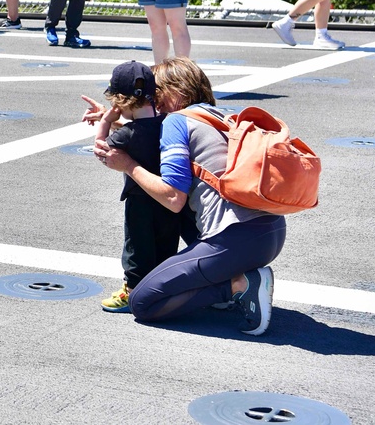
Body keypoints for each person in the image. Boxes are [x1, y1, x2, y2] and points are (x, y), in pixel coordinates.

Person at [92, 57, 286, 336]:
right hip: (271, 233)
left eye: (157, 92)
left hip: (233, 239)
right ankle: (228, 278)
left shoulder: (176, 121)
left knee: (143, 302)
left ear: (178, 93)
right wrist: (116, 120)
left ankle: (237, 286)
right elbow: (146, 134)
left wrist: (128, 166)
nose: (154, 100)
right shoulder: (221, 117)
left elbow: (173, 198)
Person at [93, 61, 179, 314]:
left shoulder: (127, 134)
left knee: (137, 245)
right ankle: (162, 285)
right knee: (165, 242)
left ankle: (132, 290)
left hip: (139, 199)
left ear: (121, 102)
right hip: (165, 196)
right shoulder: (169, 123)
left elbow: (100, 146)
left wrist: (107, 120)